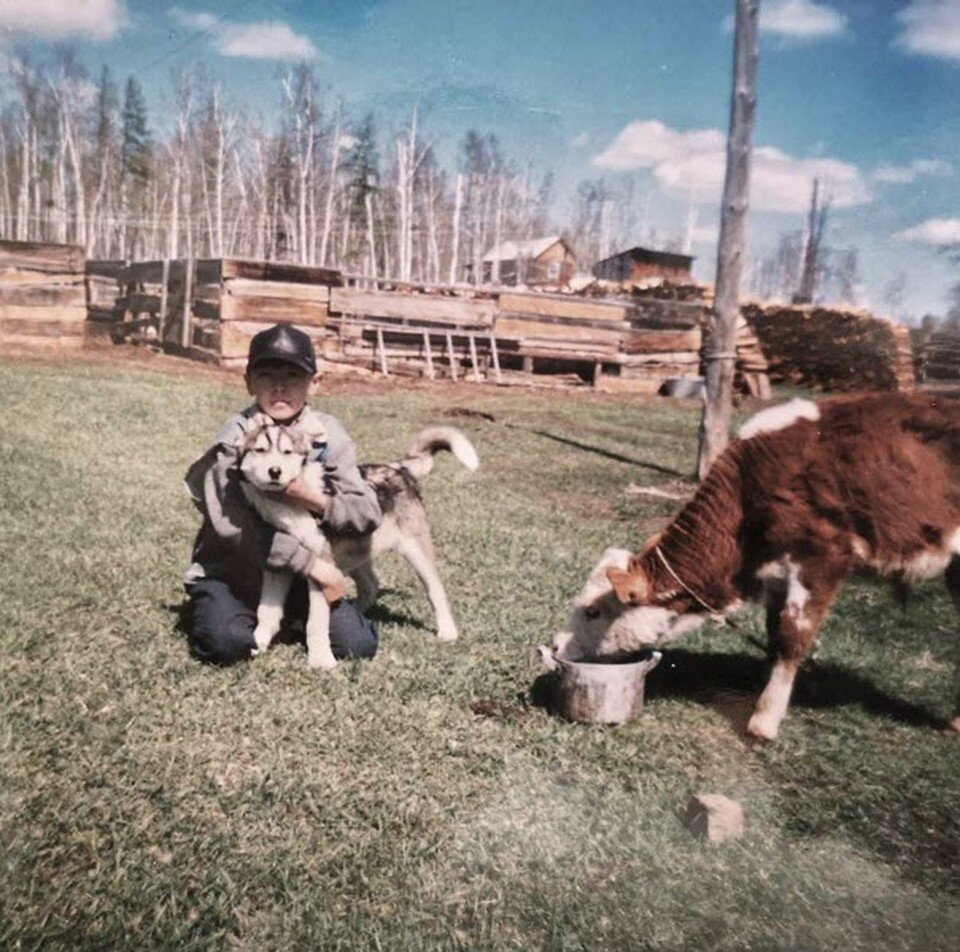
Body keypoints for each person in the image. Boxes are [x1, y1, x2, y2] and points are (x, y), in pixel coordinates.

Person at [182, 322, 382, 665]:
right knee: (227, 643)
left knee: (356, 644)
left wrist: (312, 497)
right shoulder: (234, 439)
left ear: (313, 383)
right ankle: (214, 607)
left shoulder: (327, 435)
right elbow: (234, 529)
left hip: (301, 578)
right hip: (237, 572)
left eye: (293, 376)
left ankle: (290, 616)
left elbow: (366, 513)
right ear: (249, 381)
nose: (279, 387)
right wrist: (315, 568)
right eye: (267, 375)